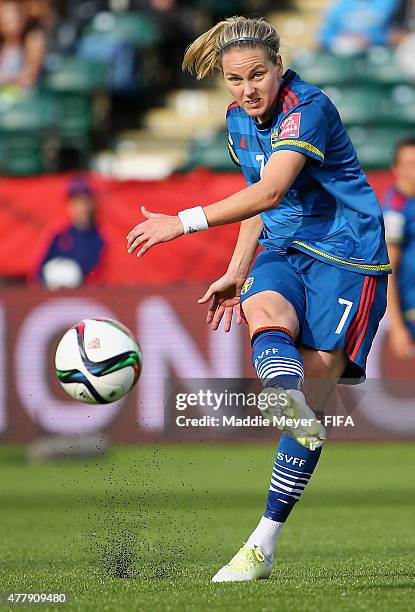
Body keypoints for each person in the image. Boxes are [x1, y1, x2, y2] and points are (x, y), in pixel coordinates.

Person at [126, 15, 390, 582]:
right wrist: (235, 269)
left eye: (257, 76)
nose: (247, 90)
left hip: (348, 260)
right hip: (283, 245)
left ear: (279, 67)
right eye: (234, 78)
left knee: (307, 417)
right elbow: (260, 202)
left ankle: (261, 544)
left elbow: (271, 187)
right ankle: (281, 392)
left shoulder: (309, 109)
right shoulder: (237, 121)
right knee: (260, 309)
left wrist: (185, 221)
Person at [30, 176, 107, 289]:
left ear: (92, 204)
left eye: (85, 201)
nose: (82, 207)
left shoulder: (102, 236)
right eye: (77, 202)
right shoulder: (58, 234)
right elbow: (37, 273)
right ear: (69, 204)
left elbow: (105, 274)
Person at [382, 136, 415, 359]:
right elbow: (388, 269)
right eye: (410, 164)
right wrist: (396, 326)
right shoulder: (396, 209)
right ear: (397, 169)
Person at [0, 0, 46, 95]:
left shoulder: (34, 38)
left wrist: (5, 79)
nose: (14, 19)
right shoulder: (3, 43)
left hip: (24, 99)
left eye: (17, 13)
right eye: (7, 14)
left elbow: (29, 77)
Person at [319, 0, 399, 53]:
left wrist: (371, 39)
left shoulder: (390, 2)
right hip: (342, 52)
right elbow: (325, 35)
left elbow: (396, 34)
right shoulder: (339, 4)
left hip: (377, 51)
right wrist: (341, 40)